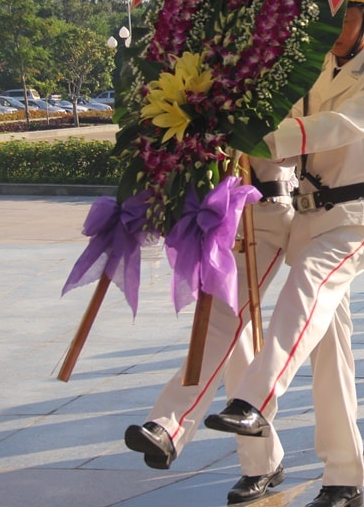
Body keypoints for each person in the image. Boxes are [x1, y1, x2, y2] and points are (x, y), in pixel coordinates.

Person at [204, 0, 364, 507]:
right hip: (306, 219)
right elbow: (283, 144)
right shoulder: (309, 67)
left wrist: (262, 134)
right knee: (328, 349)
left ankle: (256, 400)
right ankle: (337, 475)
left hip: (357, 215)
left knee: (307, 287)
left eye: (345, 17)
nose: (335, 29)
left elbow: (338, 126)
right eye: (327, 17)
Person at [124, 158, 294, 505]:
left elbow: (291, 149)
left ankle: (168, 425)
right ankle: (263, 462)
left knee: (219, 325)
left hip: (265, 215)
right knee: (235, 345)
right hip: (217, 216)